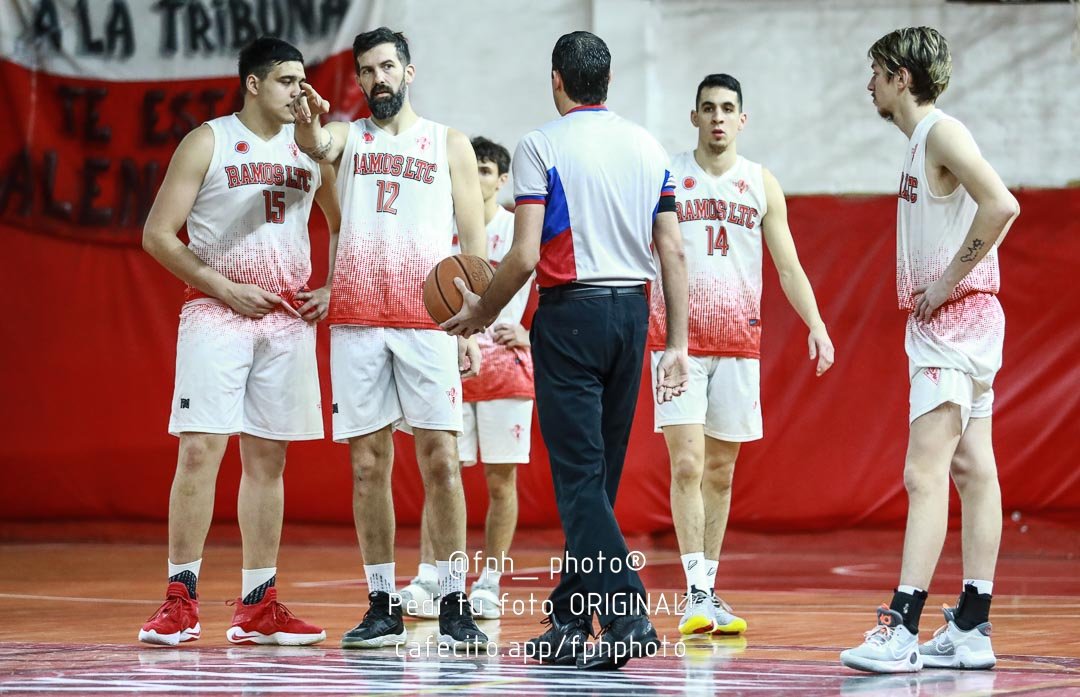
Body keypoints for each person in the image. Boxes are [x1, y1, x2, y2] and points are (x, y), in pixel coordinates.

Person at [444, 31, 690, 670]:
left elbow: (524, 252)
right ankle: (568, 621)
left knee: (579, 479)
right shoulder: (647, 145)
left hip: (571, 315)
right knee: (598, 479)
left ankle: (628, 612)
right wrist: (679, 343)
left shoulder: (540, 145)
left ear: (557, 80)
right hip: (631, 315)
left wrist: (482, 311)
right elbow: (673, 250)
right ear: (607, 82)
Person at [290, 27, 489, 649]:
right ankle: (383, 604)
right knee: (368, 465)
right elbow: (317, 142)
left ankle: (454, 601)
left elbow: (474, 246)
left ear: (408, 72)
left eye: (387, 68)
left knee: (442, 463)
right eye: (367, 71)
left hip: (428, 323)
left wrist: (472, 322)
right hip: (357, 323)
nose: (377, 79)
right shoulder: (350, 136)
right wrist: (306, 120)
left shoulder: (448, 143)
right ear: (358, 81)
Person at [138, 37, 336, 646]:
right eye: (285, 81)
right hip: (216, 313)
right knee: (200, 450)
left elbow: (348, 220)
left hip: (284, 319)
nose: (298, 92)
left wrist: (331, 285)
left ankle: (258, 606)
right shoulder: (209, 140)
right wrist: (223, 288)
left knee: (268, 460)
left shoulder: (312, 148)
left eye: (303, 81)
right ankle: (180, 599)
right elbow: (157, 235)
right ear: (253, 84)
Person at [841, 26, 1020, 673]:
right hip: (964, 324)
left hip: (955, 324)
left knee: (924, 474)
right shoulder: (923, 142)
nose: (870, 85)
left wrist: (946, 282)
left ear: (901, 76)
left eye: (876, 72)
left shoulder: (942, 132)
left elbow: (1002, 204)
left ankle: (901, 626)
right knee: (974, 470)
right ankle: (972, 624)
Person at [650, 73, 835, 637]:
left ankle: (708, 589)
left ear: (742, 118)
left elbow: (788, 265)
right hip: (676, 343)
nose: (718, 117)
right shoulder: (668, 174)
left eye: (728, 108)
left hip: (737, 342)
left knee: (722, 472)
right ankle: (696, 594)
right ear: (694, 116)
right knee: (686, 464)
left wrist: (817, 325)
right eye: (708, 108)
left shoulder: (760, 182)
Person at [400, 137, 534, 621]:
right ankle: (431, 577)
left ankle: (492, 581)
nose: (474, 178)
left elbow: (559, 278)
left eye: (484, 170)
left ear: (501, 180)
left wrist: (531, 329)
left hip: (506, 370)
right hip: (447, 363)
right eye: (468, 169)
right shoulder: (441, 228)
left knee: (501, 482)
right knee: (441, 470)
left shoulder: (521, 228)